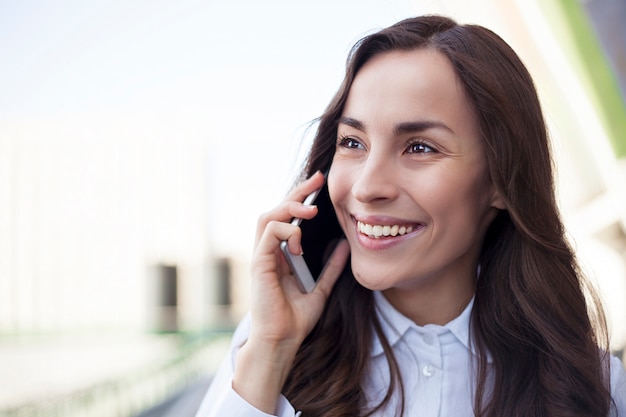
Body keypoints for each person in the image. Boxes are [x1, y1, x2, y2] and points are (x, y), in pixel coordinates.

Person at [195, 15, 626, 417]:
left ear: (500, 179)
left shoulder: (596, 385)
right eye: (352, 142)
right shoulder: (265, 347)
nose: (366, 187)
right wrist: (271, 350)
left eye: (419, 147)